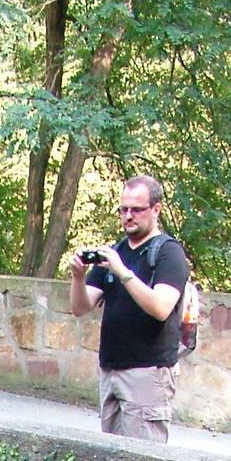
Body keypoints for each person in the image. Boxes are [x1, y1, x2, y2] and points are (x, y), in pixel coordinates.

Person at [70, 175, 190, 443]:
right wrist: (78, 277)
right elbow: (80, 307)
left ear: (156, 209)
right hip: (111, 370)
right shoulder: (116, 251)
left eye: (136, 209)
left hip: (147, 373)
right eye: (123, 209)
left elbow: (161, 307)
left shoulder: (169, 253)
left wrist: (123, 272)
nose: (128, 216)